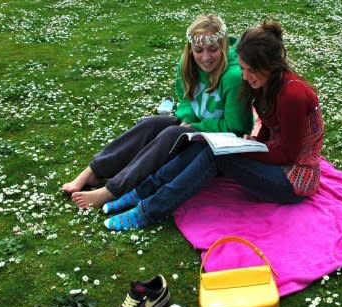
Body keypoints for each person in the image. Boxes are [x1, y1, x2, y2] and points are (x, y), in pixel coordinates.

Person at [102, 20, 324, 231]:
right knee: (205, 144)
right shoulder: (266, 83)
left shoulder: (293, 94)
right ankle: (141, 191)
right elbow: (269, 127)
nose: (244, 77)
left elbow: (288, 154)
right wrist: (253, 143)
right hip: (273, 163)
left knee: (217, 154)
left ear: (267, 66)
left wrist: (247, 151)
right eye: (243, 69)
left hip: (293, 180)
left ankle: (149, 211)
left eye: (248, 70)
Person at [66, 14, 252, 209]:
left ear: (222, 46)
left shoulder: (233, 77)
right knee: (151, 123)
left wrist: (196, 126)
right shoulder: (188, 65)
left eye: (213, 49)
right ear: (191, 49)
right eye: (198, 50)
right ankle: (94, 171)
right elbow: (185, 101)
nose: (205, 57)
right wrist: (187, 119)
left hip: (219, 144)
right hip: (194, 128)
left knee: (171, 133)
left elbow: (236, 127)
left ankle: (112, 190)